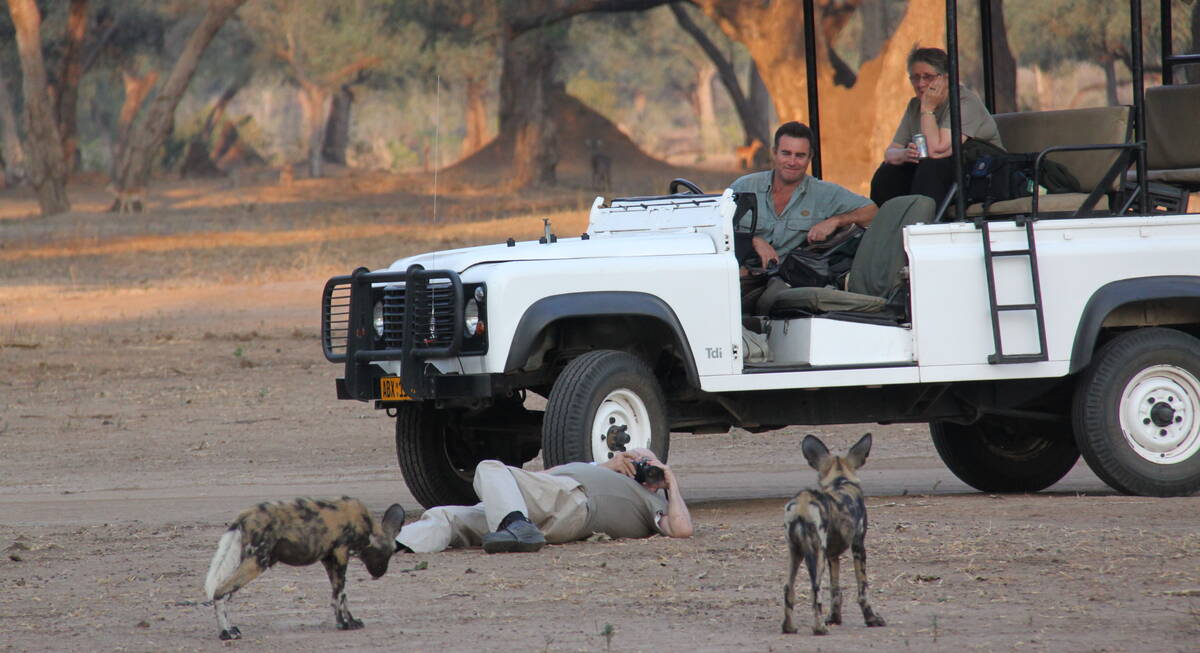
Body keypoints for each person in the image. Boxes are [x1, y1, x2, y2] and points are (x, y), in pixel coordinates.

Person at [394, 448, 693, 554]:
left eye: (646, 462)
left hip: (570, 502)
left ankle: (516, 526)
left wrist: (671, 483)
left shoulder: (650, 501)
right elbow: (542, 477)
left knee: (489, 468)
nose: (638, 463)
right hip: (535, 506)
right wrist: (607, 466)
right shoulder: (598, 469)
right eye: (635, 457)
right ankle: (393, 543)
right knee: (448, 517)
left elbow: (681, 530)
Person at [731, 121, 877, 272]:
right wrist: (753, 241)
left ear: (810, 157)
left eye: (800, 155)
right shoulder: (744, 186)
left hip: (791, 281)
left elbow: (872, 211)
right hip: (741, 276)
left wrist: (836, 221)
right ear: (774, 153)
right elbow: (714, 227)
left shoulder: (823, 192)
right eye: (786, 153)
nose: (792, 162)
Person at [870, 47, 1004, 207]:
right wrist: (905, 154)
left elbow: (936, 151)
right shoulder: (914, 105)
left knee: (931, 166)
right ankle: (885, 224)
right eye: (915, 77)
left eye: (928, 77)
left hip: (983, 175)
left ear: (946, 78)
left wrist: (927, 109)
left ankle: (924, 226)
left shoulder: (965, 102)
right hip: (942, 176)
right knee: (887, 172)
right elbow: (890, 153)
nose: (920, 84)